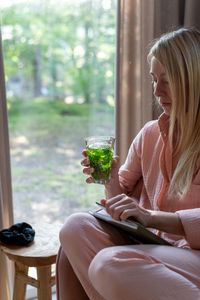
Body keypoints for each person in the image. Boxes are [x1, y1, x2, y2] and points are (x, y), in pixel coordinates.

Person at [56, 27, 200, 300]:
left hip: (193, 255)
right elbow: (122, 201)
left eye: (167, 80)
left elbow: (147, 217)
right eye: (154, 79)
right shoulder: (150, 134)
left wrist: (151, 216)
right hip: (153, 245)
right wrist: (111, 181)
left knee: (111, 262)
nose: (157, 91)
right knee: (75, 227)